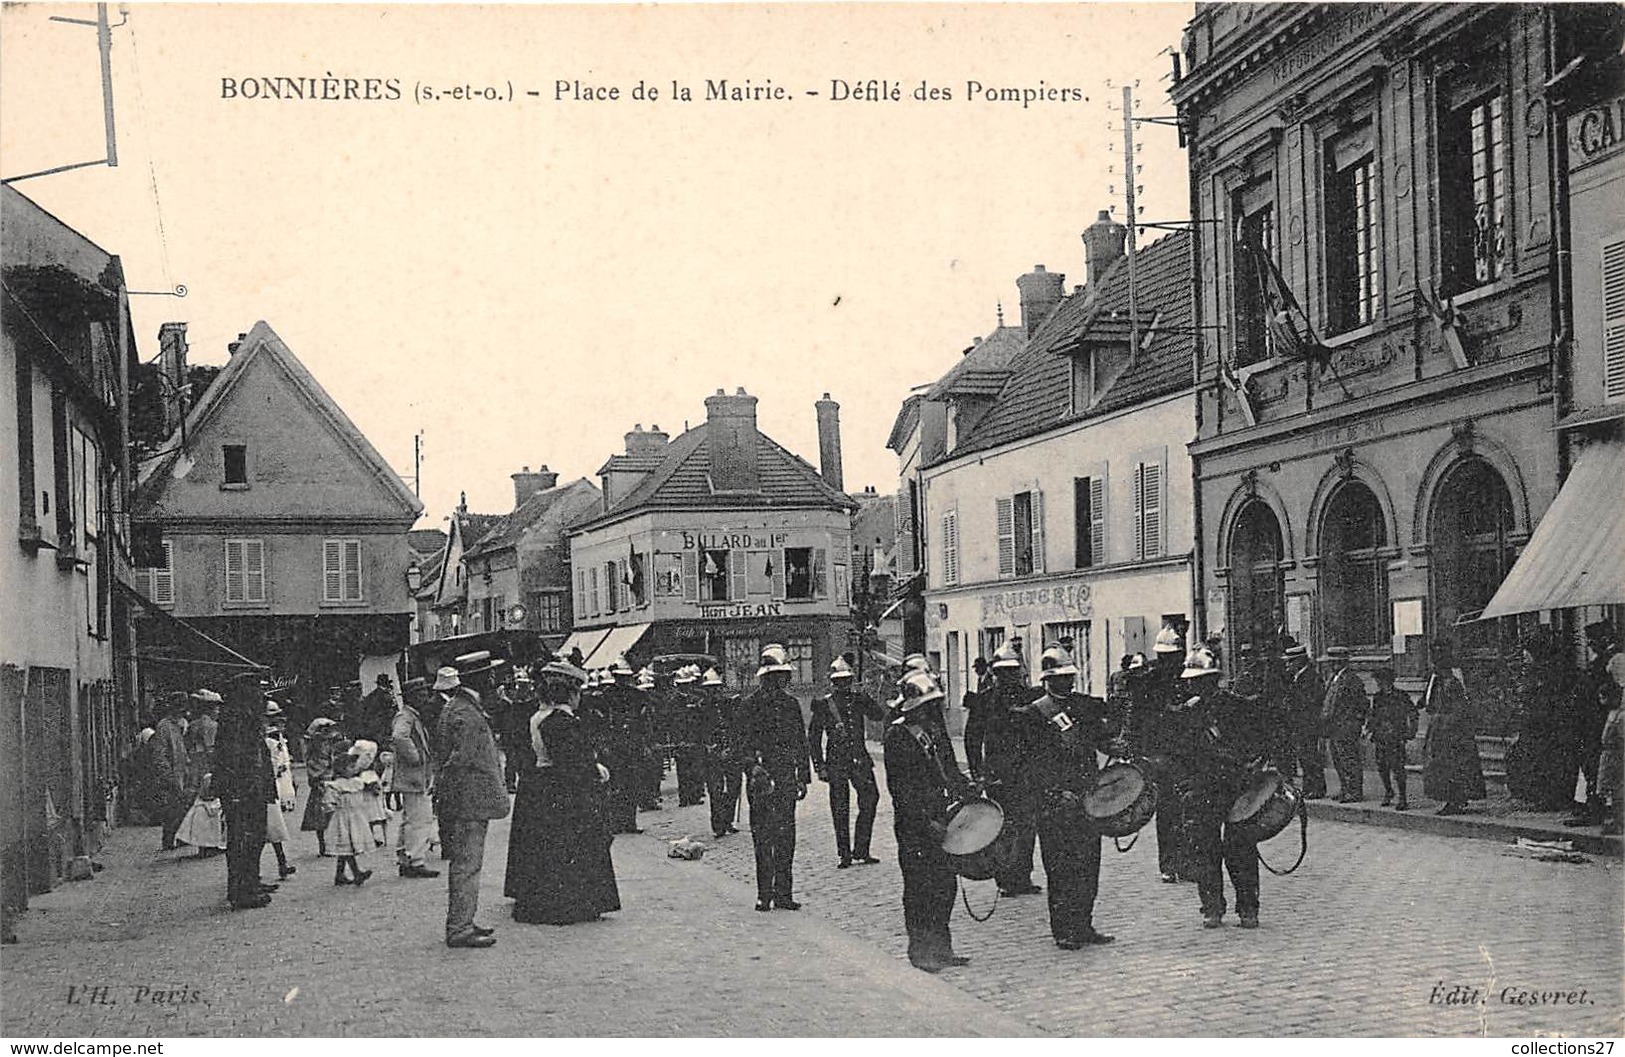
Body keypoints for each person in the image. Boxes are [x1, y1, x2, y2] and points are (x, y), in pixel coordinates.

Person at [505, 660, 621, 924]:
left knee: (551, 848)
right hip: (566, 789)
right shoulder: (562, 721)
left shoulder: (539, 717)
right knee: (572, 845)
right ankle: (574, 901)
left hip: (546, 785)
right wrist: (595, 771)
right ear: (570, 694)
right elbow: (573, 761)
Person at [1168, 647, 1270, 929]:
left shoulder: (1238, 707)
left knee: (1240, 851)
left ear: (1211, 680)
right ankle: (1213, 907)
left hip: (1235, 787)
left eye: (1198, 680)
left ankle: (1247, 908)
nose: (1192, 684)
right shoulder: (1188, 713)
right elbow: (1177, 755)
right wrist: (1184, 784)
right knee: (1205, 850)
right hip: (1203, 790)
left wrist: (1253, 766)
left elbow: (1260, 741)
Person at [1023, 647, 1117, 949]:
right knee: (1060, 869)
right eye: (1060, 678)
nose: (1066, 683)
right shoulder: (1034, 714)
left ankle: (1084, 925)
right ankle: (1063, 929)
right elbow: (1030, 764)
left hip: (1087, 797)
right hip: (1055, 802)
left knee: (1089, 865)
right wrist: (1052, 792)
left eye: (1069, 677)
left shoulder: (1085, 707)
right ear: (1047, 681)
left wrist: (1118, 746)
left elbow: (1101, 740)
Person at [883, 670, 973, 973]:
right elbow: (900, 790)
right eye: (926, 705)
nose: (930, 710)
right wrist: (924, 822)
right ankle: (920, 951)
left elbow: (949, 770)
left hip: (942, 816)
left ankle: (943, 948)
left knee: (944, 887)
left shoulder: (934, 730)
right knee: (920, 888)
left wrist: (967, 788)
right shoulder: (898, 735)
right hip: (915, 826)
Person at [433, 665, 510, 948]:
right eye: (490, 675)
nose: (494, 680)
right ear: (480, 679)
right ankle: (460, 927)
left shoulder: (459, 707)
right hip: (471, 801)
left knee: (465, 863)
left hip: (464, 800)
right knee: (468, 864)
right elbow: (461, 758)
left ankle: (463, 919)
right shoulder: (469, 714)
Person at [742, 644, 811, 912]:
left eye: (783, 675)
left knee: (786, 837)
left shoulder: (790, 704)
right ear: (765, 677)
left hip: (784, 778)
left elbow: (799, 743)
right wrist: (752, 768)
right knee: (762, 837)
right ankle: (764, 894)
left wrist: (802, 777)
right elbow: (741, 745)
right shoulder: (749, 706)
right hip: (761, 778)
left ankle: (784, 893)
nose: (780, 680)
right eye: (776, 675)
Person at [809, 657, 886, 869]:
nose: (844, 684)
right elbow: (813, 738)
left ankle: (862, 848)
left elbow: (878, 715)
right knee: (840, 807)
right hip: (836, 762)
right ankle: (844, 854)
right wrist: (820, 766)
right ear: (833, 682)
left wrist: (868, 697)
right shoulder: (824, 705)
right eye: (839, 681)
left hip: (859, 758)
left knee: (871, 799)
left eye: (847, 680)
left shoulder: (858, 699)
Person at [981, 644, 1042, 897]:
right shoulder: (986, 699)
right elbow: (974, 738)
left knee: (1027, 825)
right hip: (999, 773)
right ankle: (1004, 877)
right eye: (1003, 672)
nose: (1008, 677)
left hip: (1026, 771)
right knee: (1003, 826)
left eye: (1012, 671)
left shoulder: (1028, 697)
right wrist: (980, 772)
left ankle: (1023, 875)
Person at [1131, 626, 1188, 884]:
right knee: (1168, 810)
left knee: (1188, 810)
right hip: (1160, 755)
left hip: (1185, 754)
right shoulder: (1148, 681)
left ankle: (1185, 862)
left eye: (1173, 657)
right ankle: (1169, 863)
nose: (1170, 662)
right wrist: (1138, 754)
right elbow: (1136, 720)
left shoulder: (1187, 678)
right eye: (1166, 657)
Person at [215, 673, 276, 910]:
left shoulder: (246, 717)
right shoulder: (236, 720)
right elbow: (237, 760)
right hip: (241, 791)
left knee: (255, 837)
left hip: (252, 789)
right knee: (243, 839)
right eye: (256, 691)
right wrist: (239, 790)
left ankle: (251, 882)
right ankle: (242, 891)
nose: (261, 696)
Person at [1421, 640, 1485, 816]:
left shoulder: (1452, 683)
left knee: (1454, 766)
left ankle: (1455, 800)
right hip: (1440, 729)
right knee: (1441, 765)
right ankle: (1452, 799)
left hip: (1453, 732)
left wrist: (1445, 722)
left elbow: (1460, 709)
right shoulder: (1436, 681)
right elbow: (1427, 701)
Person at [389, 679, 440, 879]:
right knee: (421, 818)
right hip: (414, 775)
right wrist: (415, 757)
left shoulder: (411, 716)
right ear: (411, 697)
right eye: (420, 694)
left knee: (410, 818)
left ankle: (404, 856)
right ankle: (416, 859)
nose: (424, 697)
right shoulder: (406, 716)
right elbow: (399, 737)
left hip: (413, 776)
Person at [324, 741, 378, 887]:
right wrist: (330, 810)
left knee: (347, 847)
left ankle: (339, 875)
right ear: (341, 769)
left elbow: (367, 789)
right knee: (347, 846)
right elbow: (329, 802)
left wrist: (373, 787)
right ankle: (356, 873)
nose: (354, 769)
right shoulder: (336, 785)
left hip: (355, 817)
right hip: (342, 818)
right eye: (350, 767)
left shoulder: (356, 782)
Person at [697, 667, 742, 838]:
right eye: (710, 689)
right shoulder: (700, 708)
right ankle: (718, 825)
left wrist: (732, 748)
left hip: (730, 753)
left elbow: (736, 728)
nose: (714, 692)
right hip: (711, 756)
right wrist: (709, 747)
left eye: (716, 688)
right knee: (715, 791)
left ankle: (728, 820)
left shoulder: (728, 705)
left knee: (733, 788)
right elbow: (697, 733)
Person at [1320, 646, 1369, 803]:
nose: (1330, 665)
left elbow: (1361, 704)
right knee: (1338, 760)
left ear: (1339, 662)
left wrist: (1353, 722)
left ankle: (1354, 791)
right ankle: (1345, 788)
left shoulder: (1352, 680)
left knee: (1349, 759)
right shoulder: (1333, 678)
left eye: (1333, 662)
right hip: (1334, 727)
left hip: (1346, 726)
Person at [1365, 667, 1417, 810]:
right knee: (1382, 767)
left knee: (1398, 768)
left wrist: (1411, 731)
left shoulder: (1401, 696)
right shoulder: (1377, 697)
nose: (1378, 683)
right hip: (1380, 737)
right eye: (1377, 681)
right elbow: (1373, 715)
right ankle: (1388, 791)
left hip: (1396, 737)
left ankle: (1403, 797)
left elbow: (1413, 713)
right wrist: (1368, 728)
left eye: (1380, 680)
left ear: (1388, 681)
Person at [1284, 643, 1327, 799]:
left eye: (1290, 662)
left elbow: (1314, 700)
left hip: (1308, 724)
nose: (1288, 665)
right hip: (1299, 724)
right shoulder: (1296, 678)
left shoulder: (1311, 677)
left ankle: (1317, 788)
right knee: (1304, 757)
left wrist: (1294, 700)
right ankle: (1309, 788)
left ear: (1299, 661)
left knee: (1310, 757)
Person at [150, 694, 193, 851]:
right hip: (172, 772)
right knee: (171, 808)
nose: (181, 710)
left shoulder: (183, 724)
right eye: (179, 706)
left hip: (184, 769)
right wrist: (167, 774)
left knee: (184, 805)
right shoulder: (164, 726)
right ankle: (168, 840)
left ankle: (182, 837)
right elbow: (159, 754)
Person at [264, 699, 298, 879]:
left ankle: (282, 863)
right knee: (270, 827)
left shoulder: (279, 738)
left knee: (273, 827)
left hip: (278, 783)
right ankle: (280, 863)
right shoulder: (267, 740)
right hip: (268, 783)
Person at [301, 717, 344, 856]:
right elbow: (312, 766)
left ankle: (330, 844)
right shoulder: (314, 752)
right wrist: (316, 780)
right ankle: (323, 845)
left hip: (331, 781)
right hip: (321, 781)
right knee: (320, 816)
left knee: (332, 814)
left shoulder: (330, 747)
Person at [672, 666, 707, 807]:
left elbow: (702, 720)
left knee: (697, 769)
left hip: (695, 738)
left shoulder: (696, 698)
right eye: (682, 685)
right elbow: (670, 722)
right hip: (681, 739)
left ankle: (696, 795)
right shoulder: (673, 701)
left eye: (686, 685)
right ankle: (684, 797)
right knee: (683, 770)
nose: (684, 688)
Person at [185, 690, 221, 795]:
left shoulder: (193, 724)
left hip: (193, 762)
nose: (218, 711)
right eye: (216, 708)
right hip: (204, 762)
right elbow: (210, 748)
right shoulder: (212, 725)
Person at [358, 674, 399, 755]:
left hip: (375, 725)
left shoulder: (372, 695)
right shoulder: (385, 695)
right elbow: (390, 710)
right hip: (382, 724)